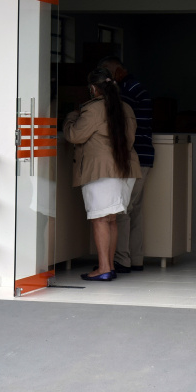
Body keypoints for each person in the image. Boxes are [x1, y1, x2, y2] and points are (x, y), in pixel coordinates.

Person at [63, 67, 142, 281]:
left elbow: (74, 135)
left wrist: (71, 115)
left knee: (100, 219)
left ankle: (104, 268)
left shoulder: (92, 109)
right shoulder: (126, 108)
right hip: (125, 169)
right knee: (111, 219)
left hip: (101, 171)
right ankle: (109, 266)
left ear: (93, 88)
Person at [98, 56, 153, 273]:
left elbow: (118, 121)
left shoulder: (128, 90)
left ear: (115, 70)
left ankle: (122, 259)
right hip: (145, 155)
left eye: (106, 73)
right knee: (134, 209)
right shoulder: (136, 87)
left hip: (134, 156)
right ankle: (135, 258)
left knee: (122, 210)